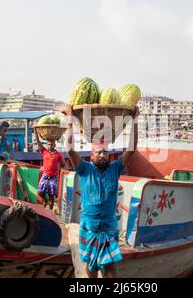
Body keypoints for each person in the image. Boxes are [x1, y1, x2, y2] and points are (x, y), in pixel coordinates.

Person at [63, 104, 139, 278]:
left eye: (105, 152)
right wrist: (70, 119)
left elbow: (132, 148)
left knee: (110, 267)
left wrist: (134, 121)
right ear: (92, 156)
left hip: (109, 226)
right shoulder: (84, 169)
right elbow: (69, 148)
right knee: (92, 266)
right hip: (88, 226)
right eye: (99, 152)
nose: (103, 155)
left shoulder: (115, 169)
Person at [36, 138, 66, 210]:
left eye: (51, 144)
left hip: (54, 176)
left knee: (51, 195)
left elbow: (63, 164)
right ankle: (46, 201)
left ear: (54, 145)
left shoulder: (58, 154)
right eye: (48, 144)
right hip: (45, 175)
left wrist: (60, 168)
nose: (49, 146)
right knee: (40, 192)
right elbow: (38, 142)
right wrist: (35, 132)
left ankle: (50, 210)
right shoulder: (44, 151)